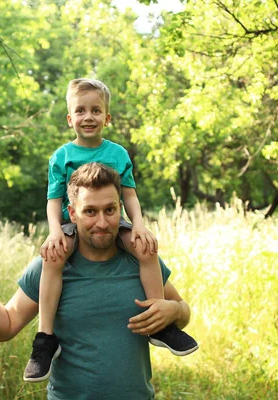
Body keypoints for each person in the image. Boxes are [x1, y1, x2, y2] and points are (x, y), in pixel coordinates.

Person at [0, 163, 198, 399]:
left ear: (120, 209)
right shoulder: (52, 263)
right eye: (90, 211)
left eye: (110, 210)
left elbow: (181, 313)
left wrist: (175, 311)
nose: (102, 222)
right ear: (73, 213)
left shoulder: (141, 259)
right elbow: (4, 327)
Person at [28, 78, 198, 382]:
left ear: (107, 117)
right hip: (73, 222)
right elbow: (53, 202)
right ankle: (45, 339)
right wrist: (55, 232)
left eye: (96, 110)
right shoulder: (62, 156)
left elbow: (129, 194)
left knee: (146, 247)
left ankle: (160, 323)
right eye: (80, 111)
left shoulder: (118, 154)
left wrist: (139, 227)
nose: (88, 117)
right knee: (53, 258)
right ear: (70, 119)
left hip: (113, 220)